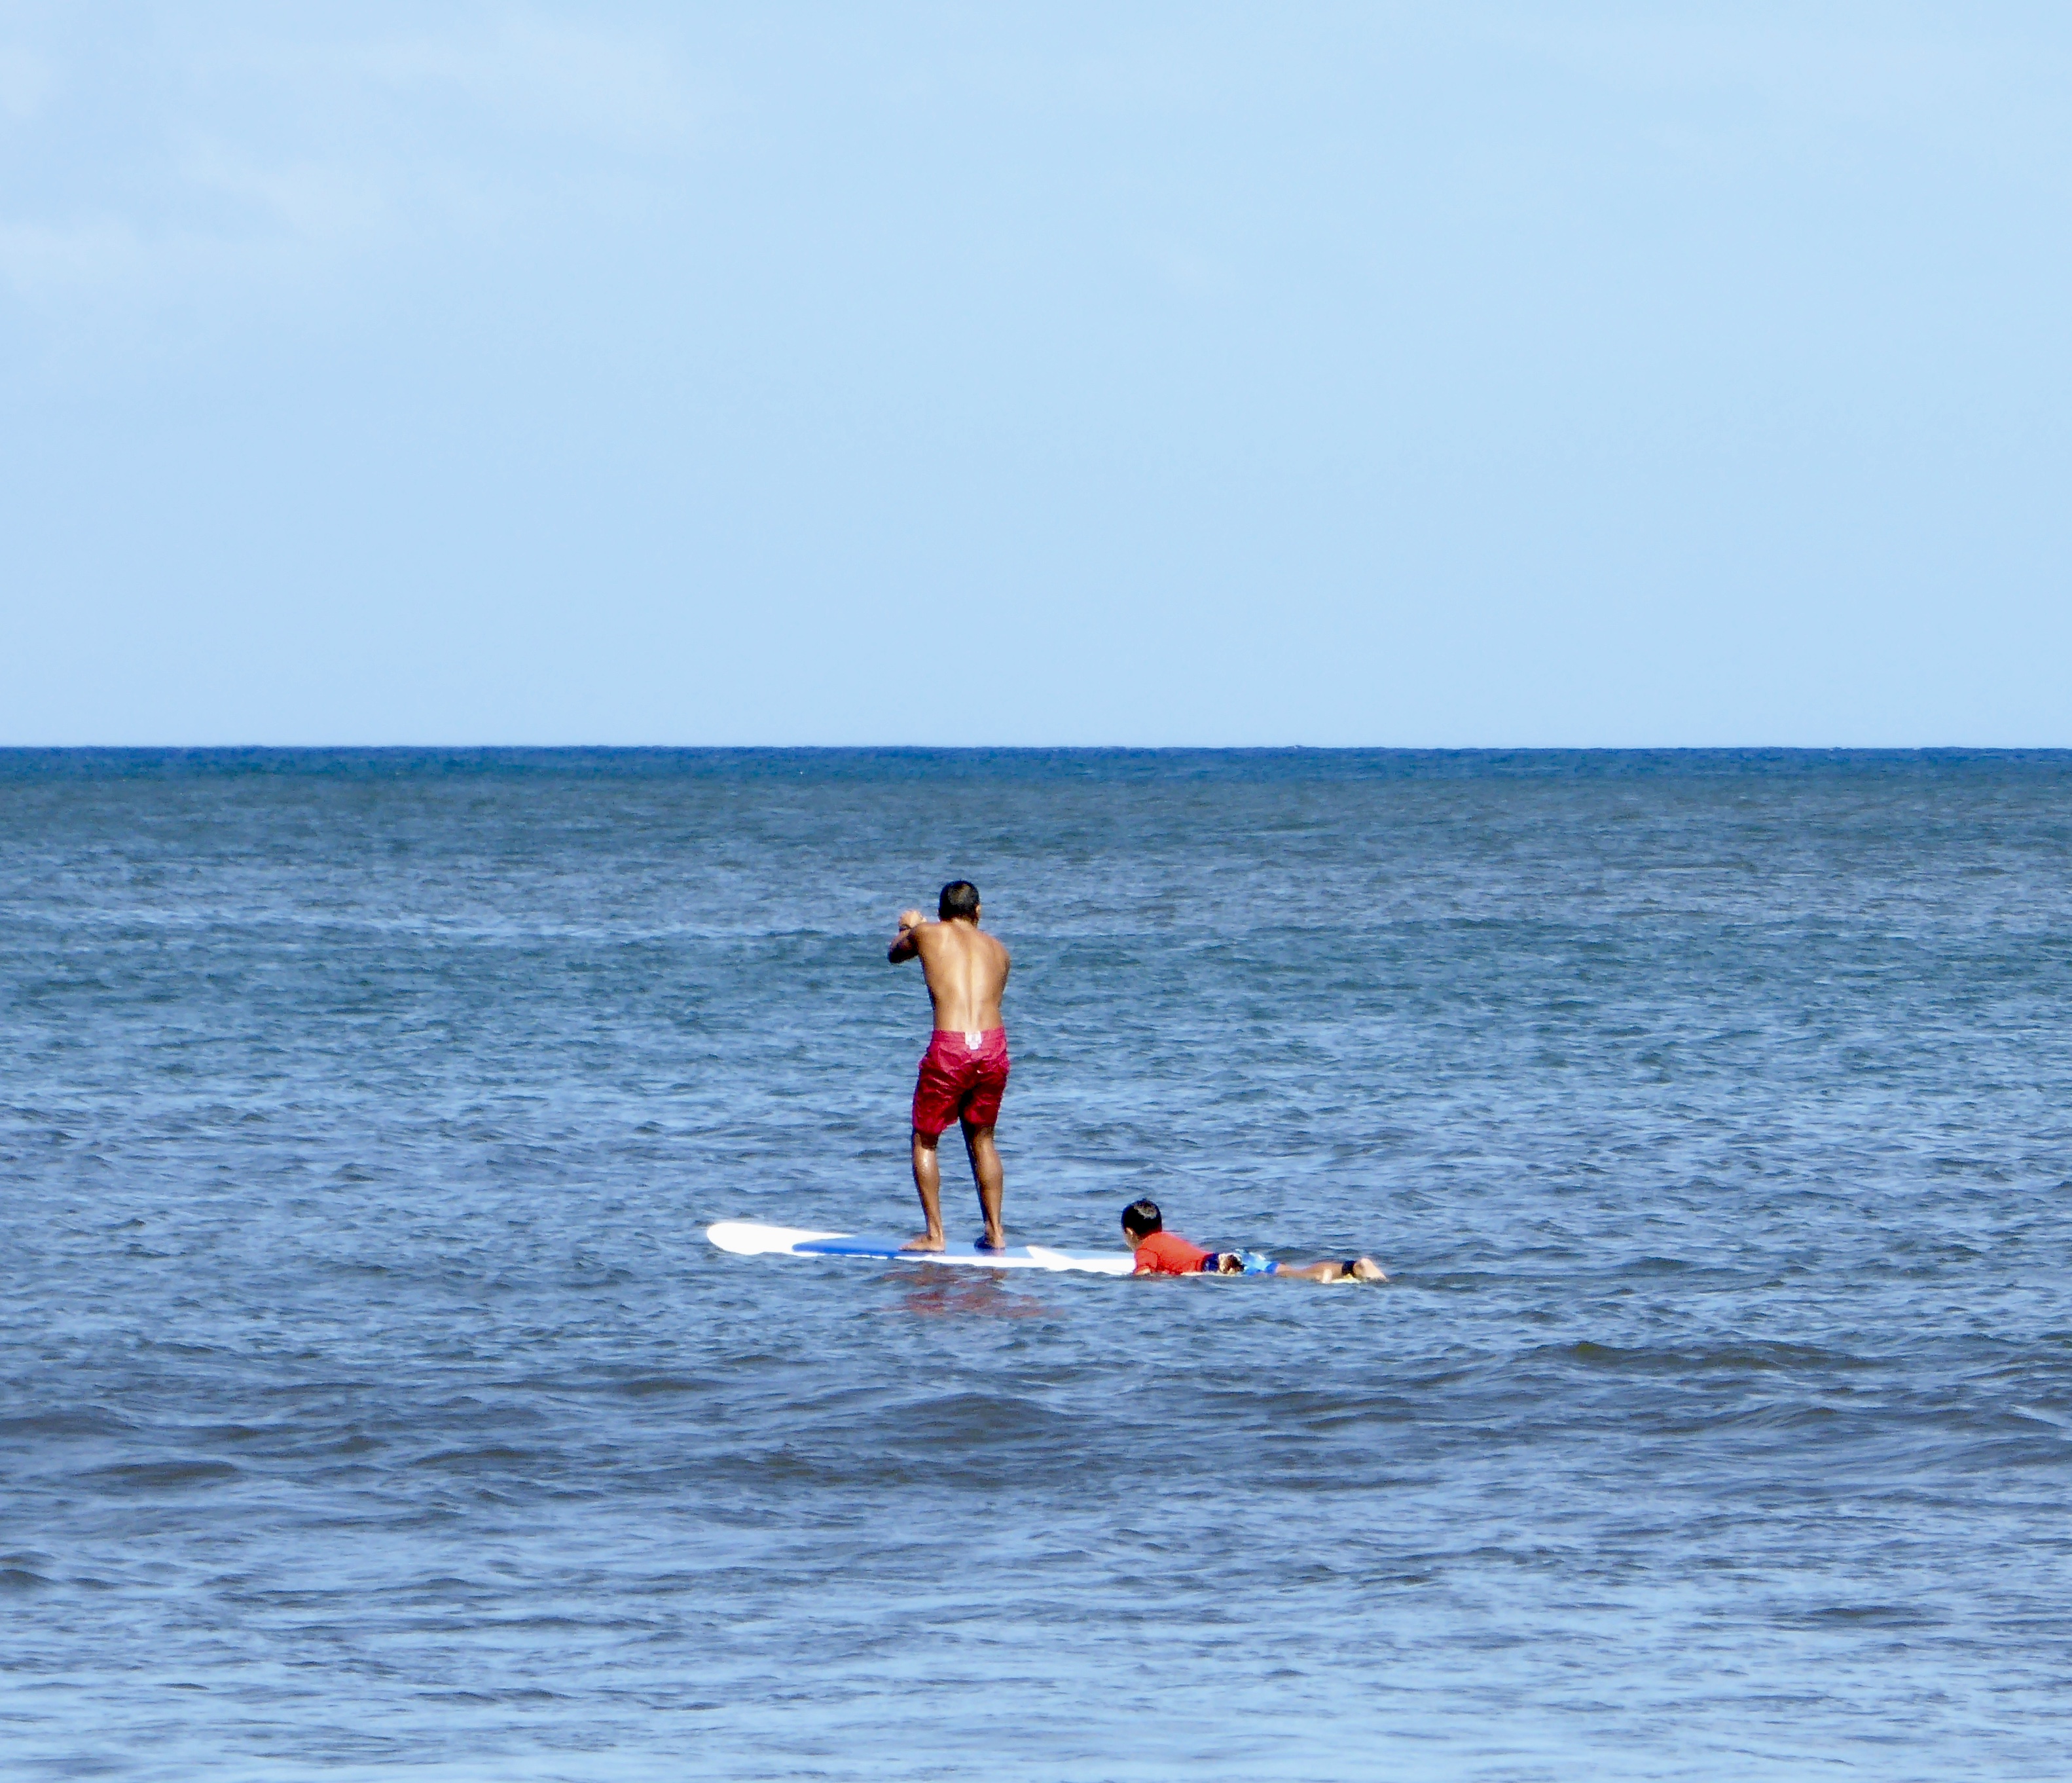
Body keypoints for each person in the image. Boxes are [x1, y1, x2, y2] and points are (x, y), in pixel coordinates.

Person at [888, 880, 1011, 1252]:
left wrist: (909, 926)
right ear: (978, 912)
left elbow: (895, 954)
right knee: (983, 1138)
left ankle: (935, 1235)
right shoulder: (1000, 951)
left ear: (942, 913)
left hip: (951, 1046)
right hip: (992, 1045)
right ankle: (995, 1232)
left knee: (925, 1138)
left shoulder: (928, 933)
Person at [1121, 1198, 1387, 1282]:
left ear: (1131, 1234)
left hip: (1219, 1266)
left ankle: (1324, 1277)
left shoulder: (1146, 1248)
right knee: (1288, 1270)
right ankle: (1351, 1267)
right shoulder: (1166, 1238)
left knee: (1295, 1277)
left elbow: (1144, 1276)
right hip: (1229, 1257)